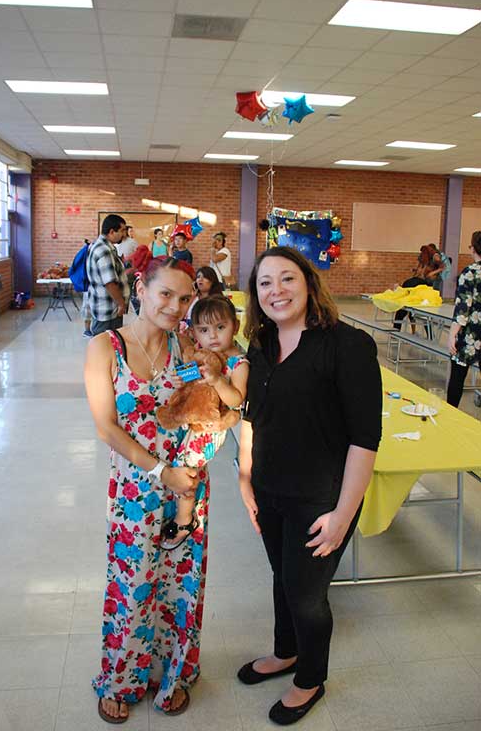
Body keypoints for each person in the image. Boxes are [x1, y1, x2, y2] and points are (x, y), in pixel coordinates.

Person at [237, 247, 382, 726]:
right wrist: (245, 479)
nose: (275, 290)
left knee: (305, 592)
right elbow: (252, 418)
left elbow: (365, 439)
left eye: (286, 279)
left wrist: (343, 515)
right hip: (270, 489)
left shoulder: (347, 345)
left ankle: (310, 677)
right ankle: (286, 652)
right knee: (283, 578)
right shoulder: (260, 345)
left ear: (309, 283)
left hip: (323, 496)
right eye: (264, 283)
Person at [85, 255, 207, 723]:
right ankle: (121, 677)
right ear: (140, 287)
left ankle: (170, 672)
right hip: (137, 487)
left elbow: (208, 401)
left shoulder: (187, 348)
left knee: (181, 585)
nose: (175, 306)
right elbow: (106, 428)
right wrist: (162, 472)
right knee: (132, 583)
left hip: (187, 490)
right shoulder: (106, 346)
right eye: (165, 294)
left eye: (184, 298)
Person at [162, 296, 249, 550]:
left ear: (236, 324)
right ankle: (184, 509)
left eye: (220, 327)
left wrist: (219, 381)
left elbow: (237, 400)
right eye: (203, 330)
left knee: (185, 467)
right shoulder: (206, 356)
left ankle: (185, 519)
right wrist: (182, 381)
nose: (212, 336)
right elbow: (190, 375)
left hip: (212, 427)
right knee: (181, 464)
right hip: (194, 423)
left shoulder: (239, 363)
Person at [446, 230, 481, 408]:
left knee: (457, 377)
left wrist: (452, 334)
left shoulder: (470, 273)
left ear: (473, 249)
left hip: (470, 335)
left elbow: (462, 308)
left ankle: (451, 413)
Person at [87, 215, 129, 336]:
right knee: (107, 348)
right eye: (122, 230)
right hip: (108, 312)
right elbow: (109, 283)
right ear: (111, 231)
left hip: (104, 308)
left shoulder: (98, 245)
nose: (124, 234)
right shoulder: (104, 250)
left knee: (106, 347)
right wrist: (121, 304)